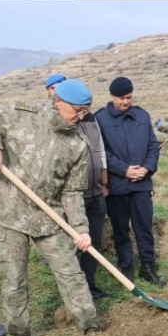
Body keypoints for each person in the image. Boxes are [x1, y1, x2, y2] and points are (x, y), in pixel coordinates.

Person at [0, 79, 101, 336]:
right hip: (8, 214)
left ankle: (91, 330)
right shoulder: (21, 114)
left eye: (86, 111)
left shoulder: (78, 145)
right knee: (14, 281)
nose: (81, 117)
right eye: (78, 110)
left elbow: (72, 192)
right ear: (58, 101)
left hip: (49, 220)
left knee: (71, 274)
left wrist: (80, 229)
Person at [94, 76, 166, 286]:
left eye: (128, 97)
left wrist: (147, 168)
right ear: (111, 96)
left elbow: (153, 145)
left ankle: (147, 267)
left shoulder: (142, 116)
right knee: (120, 229)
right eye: (121, 98)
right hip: (117, 186)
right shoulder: (100, 119)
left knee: (144, 227)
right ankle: (126, 268)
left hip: (141, 184)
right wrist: (124, 169)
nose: (125, 102)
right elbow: (101, 152)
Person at [78, 107, 110, 298]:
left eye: (86, 107)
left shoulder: (92, 120)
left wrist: (104, 178)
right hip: (74, 194)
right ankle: (76, 289)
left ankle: (89, 284)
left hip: (96, 190)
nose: (83, 112)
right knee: (74, 244)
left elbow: (100, 149)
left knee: (94, 240)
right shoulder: (60, 121)